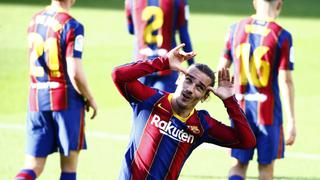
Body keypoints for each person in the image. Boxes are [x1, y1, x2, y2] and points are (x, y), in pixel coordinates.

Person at [112, 44, 256, 179]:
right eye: (188, 80)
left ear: (205, 97)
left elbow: (247, 141)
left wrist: (230, 101)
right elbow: (118, 75)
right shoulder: (150, 100)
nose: (190, 89)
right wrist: (163, 62)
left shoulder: (202, 125)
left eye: (199, 87)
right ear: (179, 78)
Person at [15, 0, 97, 179]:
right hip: (65, 101)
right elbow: (74, 72)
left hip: (36, 98)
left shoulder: (34, 20)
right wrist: (90, 97)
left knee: (33, 165)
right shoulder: (72, 25)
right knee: (68, 166)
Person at [217, 0, 296, 179]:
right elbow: (286, 81)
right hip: (268, 114)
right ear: (279, 4)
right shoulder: (282, 35)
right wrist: (291, 121)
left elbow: (221, 69)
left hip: (240, 111)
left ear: (254, 2)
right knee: (266, 169)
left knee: (238, 165)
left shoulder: (235, 29)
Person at [125, 0, 195, 92]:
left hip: (139, 65)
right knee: (165, 105)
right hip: (168, 65)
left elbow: (131, 29)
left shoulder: (130, 1)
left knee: (140, 105)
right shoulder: (179, 1)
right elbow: (183, 34)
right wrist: (192, 66)